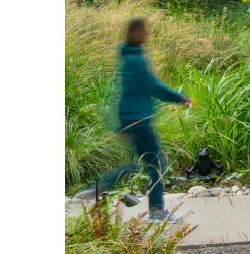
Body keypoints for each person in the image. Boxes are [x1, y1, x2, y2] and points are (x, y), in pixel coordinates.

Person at [73, 17, 193, 222]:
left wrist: (123, 123)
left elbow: (126, 92)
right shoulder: (136, 60)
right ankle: (156, 210)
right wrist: (179, 98)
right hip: (140, 121)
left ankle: (97, 188)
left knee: (139, 164)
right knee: (156, 165)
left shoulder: (129, 58)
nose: (147, 34)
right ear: (136, 33)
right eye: (144, 31)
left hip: (132, 120)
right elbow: (153, 86)